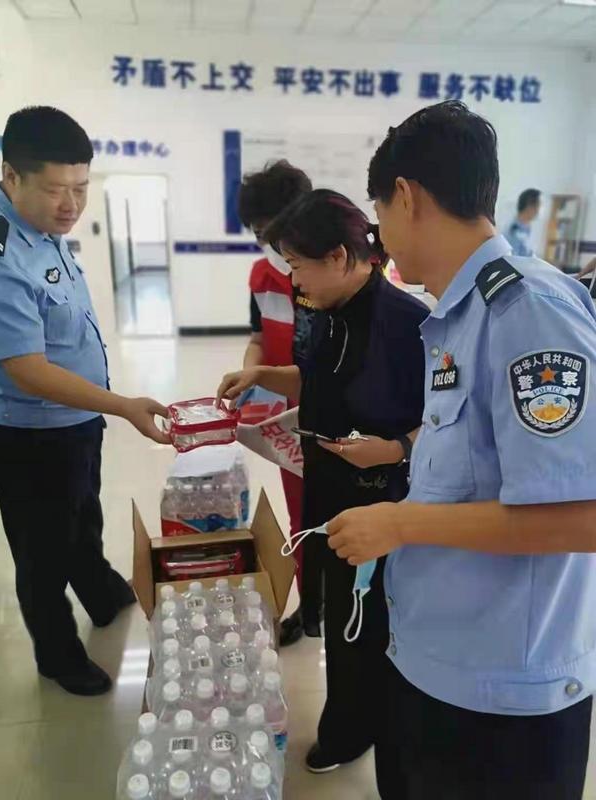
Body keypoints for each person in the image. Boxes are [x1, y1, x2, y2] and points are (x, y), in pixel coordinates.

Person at [327, 100, 596, 799]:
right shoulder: (458, 316)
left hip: (503, 701)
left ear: (407, 198)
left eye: (379, 218)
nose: (382, 240)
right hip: (437, 662)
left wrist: (400, 523)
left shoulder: (527, 311)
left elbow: (581, 517)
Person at [217, 189, 427, 774]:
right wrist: (264, 375)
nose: (293, 278)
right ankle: (355, 719)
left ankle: (356, 731)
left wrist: (396, 448)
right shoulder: (324, 306)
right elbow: (317, 378)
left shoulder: (408, 324)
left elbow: (447, 418)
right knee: (341, 616)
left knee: (367, 620)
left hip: (381, 499)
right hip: (330, 484)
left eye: (298, 264)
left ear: (338, 256)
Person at [0, 106, 170, 697]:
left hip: (77, 419)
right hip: (30, 433)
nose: (71, 204)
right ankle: (58, 656)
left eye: (81, 188)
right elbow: (27, 370)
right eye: (55, 190)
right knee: (42, 550)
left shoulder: (43, 229)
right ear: (11, 176)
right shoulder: (2, 254)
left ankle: (99, 590)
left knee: (81, 517)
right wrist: (122, 405)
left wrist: (100, 409)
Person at [237, 160, 319, 646]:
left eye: (276, 232)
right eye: (260, 235)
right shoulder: (262, 277)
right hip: (288, 419)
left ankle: (348, 602)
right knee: (300, 516)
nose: (271, 245)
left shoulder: (337, 272)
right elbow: (257, 338)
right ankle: (310, 603)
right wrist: (248, 371)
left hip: (341, 418)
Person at [504, 187, 541, 256]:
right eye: (537, 206)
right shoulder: (513, 228)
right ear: (529, 206)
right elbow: (512, 257)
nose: (538, 211)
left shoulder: (528, 228)